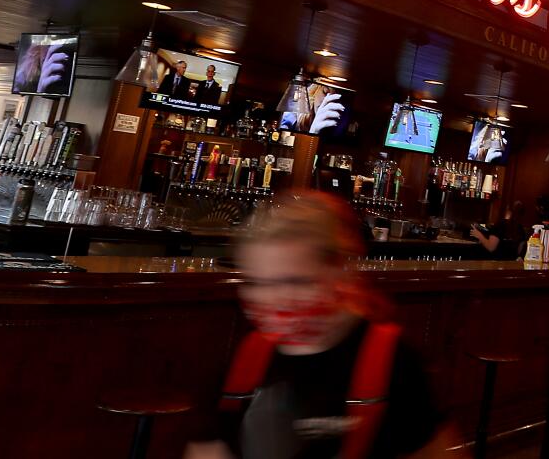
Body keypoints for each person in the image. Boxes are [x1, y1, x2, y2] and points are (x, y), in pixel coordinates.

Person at [184, 192, 459, 459]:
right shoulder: (247, 359)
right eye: (256, 283)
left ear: (338, 271)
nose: (272, 300)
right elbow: (207, 448)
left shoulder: (393, 362)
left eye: (296, 282)